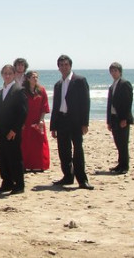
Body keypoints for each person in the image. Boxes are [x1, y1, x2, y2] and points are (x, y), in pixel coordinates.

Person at [50, 55, 94, 190]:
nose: (64, 67)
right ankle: (68, 176)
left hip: (75, 121)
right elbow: (56, 106)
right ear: (58, 67)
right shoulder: (58, 85)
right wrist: (53, 126)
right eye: (61, 65)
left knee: (78, 150)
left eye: (66, 64)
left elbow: (86, 102)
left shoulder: (79, 80)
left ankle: (82, 180)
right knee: (64, 151)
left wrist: (85, 123)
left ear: (70, 66)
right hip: (61, 120)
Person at [0, 65, 28, 195]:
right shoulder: (1, 92)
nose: (7, 76)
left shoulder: (19, 90)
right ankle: (7, 182)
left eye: (10, 73)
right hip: (1, 131)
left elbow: (22, 113)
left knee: (15, 158)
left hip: (12, 131)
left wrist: (14, 130)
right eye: (5, 73)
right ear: (2, 75)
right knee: (3, 158)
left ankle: (19, 184)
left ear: (13, 75)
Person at [106, 62, 134, 174]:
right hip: (113, 117)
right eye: (112, 71)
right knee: (117, 142)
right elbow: (109, 105)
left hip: (122, 118)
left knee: (123, 142)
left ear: (120, 71)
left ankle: (125, 166)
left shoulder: (125, 83)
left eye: (115, 71)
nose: (113, 73)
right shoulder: (112, 86)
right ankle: (120, 164)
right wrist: (108, 121)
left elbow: (128, 102)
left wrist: (124, 118)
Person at [21, 71, 51, 171]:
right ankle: (25, 164)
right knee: (25, 143)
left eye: (36, 77)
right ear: (28, 79)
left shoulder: (41, 90)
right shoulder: (23, 91)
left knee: (39, 143)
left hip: (38, 120)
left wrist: (41, 120)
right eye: (33, 77)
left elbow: (44, 107)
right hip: (26, 120)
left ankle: (38, 165)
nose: (35, 79)